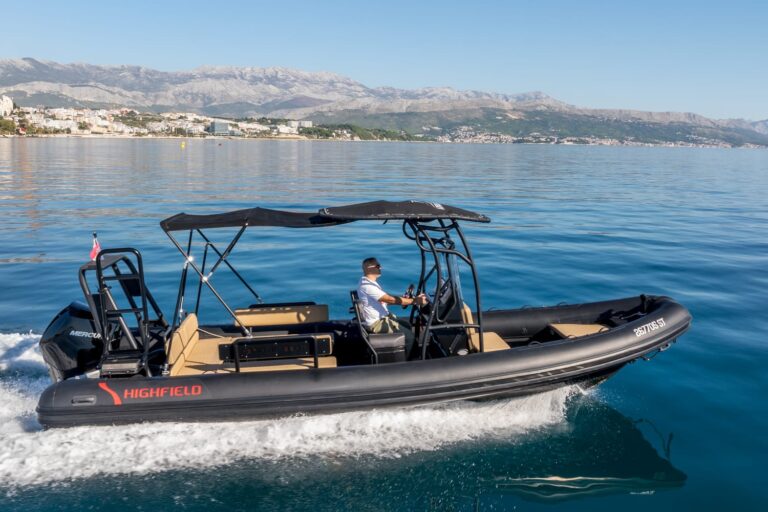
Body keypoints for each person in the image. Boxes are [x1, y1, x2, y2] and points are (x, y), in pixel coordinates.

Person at [357, 257, 427, 356]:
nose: (380, 268)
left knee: (407, 325)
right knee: (409, 337)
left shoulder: (368, 282)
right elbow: (390, 299)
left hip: (382, 317)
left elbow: (383, 301)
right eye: (378, 266)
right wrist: (415, 301)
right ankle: (411, 361)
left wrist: (405, 300)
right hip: (376, 323)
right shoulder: (367, 286)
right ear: (369, 268)